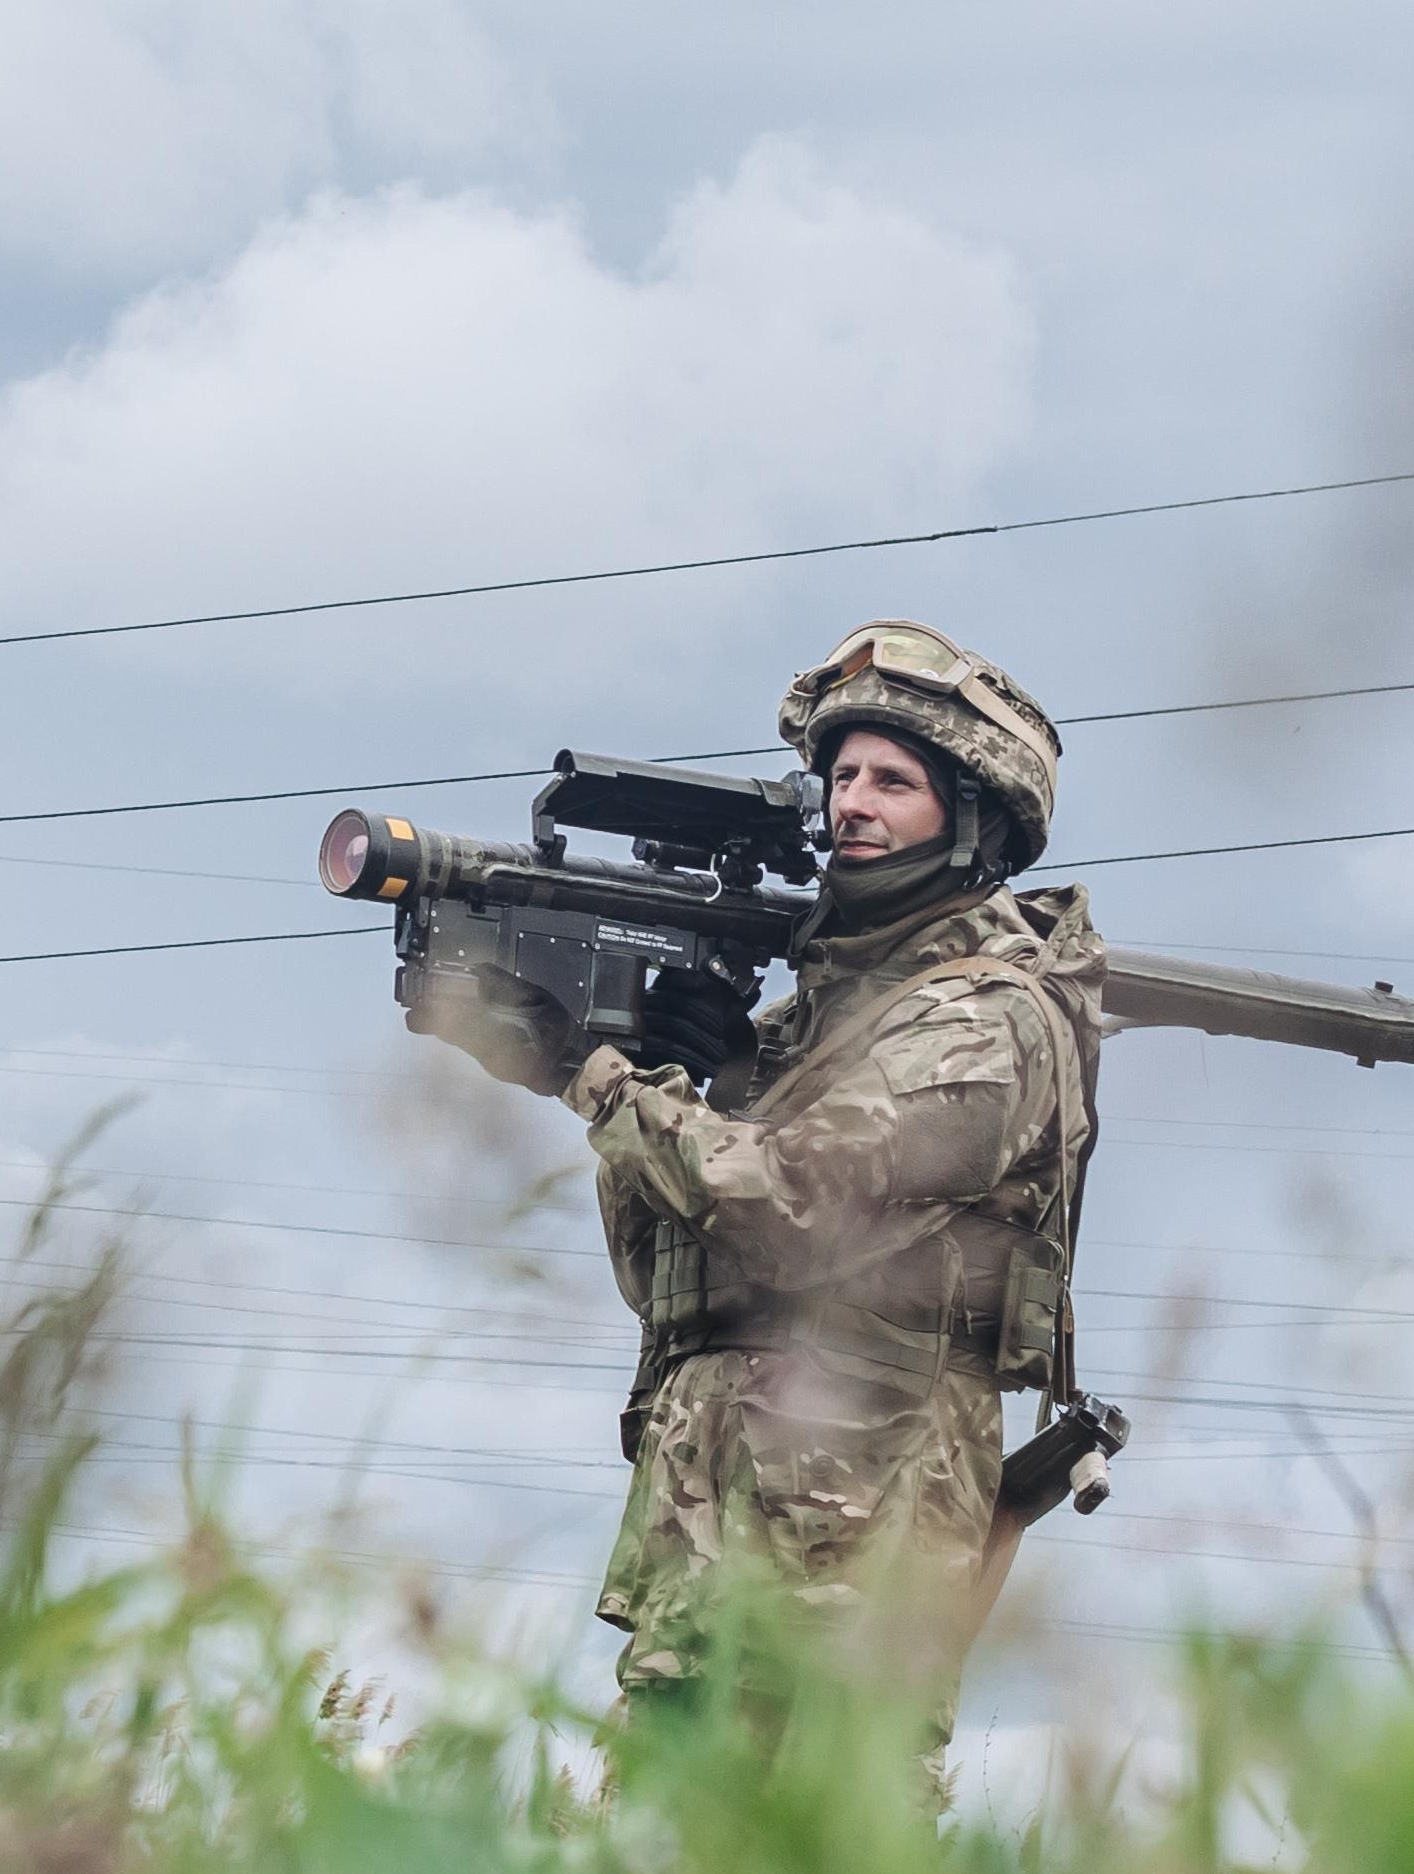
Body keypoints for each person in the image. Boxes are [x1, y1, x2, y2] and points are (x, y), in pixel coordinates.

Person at [433, 620, 1101, 1715]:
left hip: (859, 1559)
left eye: (893, 782)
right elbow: (662, 1277)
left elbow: (792, 1211)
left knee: (833, 1829)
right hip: (704, 1551)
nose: (852, 804)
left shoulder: (991, 1021)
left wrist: (592, 1075)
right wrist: (679, 1071)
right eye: (843, 777)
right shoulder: (801, 1032)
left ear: (974, 819)